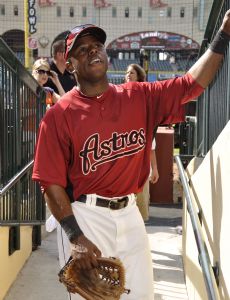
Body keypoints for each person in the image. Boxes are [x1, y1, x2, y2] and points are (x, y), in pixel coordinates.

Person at [32, 12, 230, 300]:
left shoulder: (137, 97)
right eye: (82, 50)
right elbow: (49, 182)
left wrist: (223, 35)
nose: (92, 52)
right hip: (87, 216)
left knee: (142, 295)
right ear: (70, 64)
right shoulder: (59, 115)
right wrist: (75, 236)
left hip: (130, 213)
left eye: (97, 46)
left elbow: (191, 85)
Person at [125, 63, 159, 221]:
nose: (128, 75)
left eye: (132, 72)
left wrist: (155, 168)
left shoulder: (145, 97)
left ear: (138, 76)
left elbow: (151, 143)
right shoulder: (117, 95)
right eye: (127, 72)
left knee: (141, 199)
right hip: (122, 155)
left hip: (141, 157)